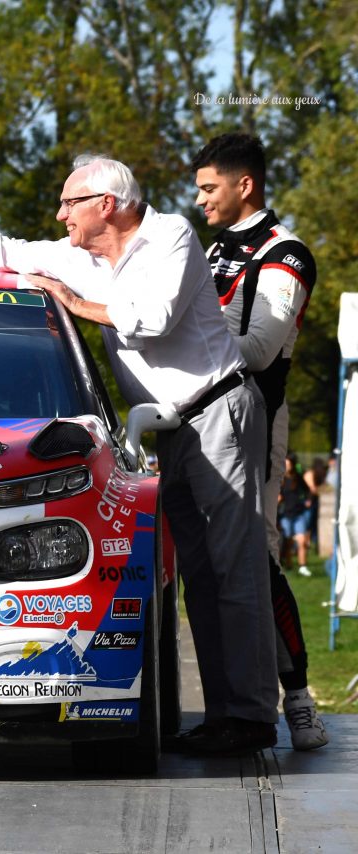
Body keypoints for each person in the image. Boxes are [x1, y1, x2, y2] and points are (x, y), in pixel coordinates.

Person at [0, 155, 279, 754]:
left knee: (234, 570)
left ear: (106, 204)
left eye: (69, 203)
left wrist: (69, 299)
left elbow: (154, 320)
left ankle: (250, 718)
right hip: (175, 425)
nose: (60, 214)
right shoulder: (84, 256)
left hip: (219, 410)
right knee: (199, 575)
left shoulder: (170, 235)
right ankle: (225, 717)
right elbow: (0, 251)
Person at [192, 132, 327, 749]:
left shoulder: (287, 251)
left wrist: (188, 338)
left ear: (244, 185)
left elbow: (258, 349)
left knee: (257, 562)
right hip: (197, 425)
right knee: (213, 568)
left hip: (257, 423)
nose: (200, 201)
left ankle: (297, 699)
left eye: (209, 188)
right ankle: (230, 709)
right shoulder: (210, 249)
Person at [279, 454, 312, 575]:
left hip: (299, 514)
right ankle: (288, 563)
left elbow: (308, 491)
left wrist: (308, 500)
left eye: (289, 464)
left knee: (302, 541)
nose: (287, 466)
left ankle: (302, 566)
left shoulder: (298, 478)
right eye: (285, 464)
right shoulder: (279, 478)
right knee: (288, 542)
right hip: (285, 515)